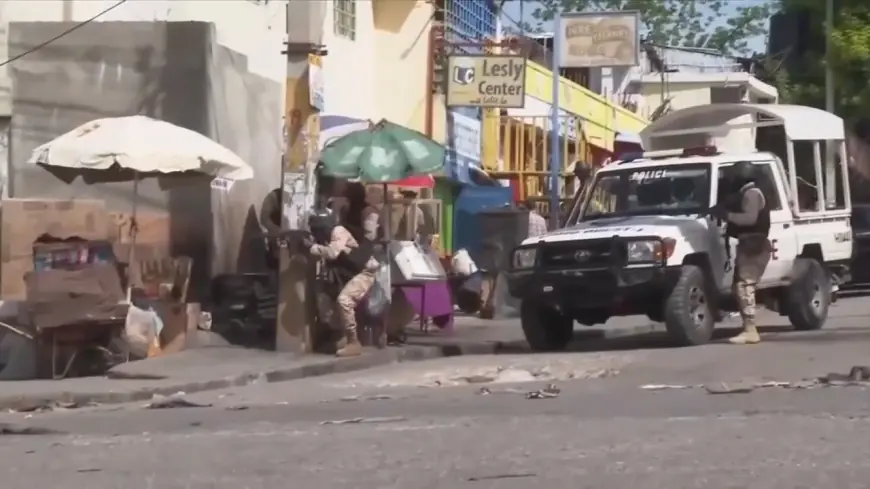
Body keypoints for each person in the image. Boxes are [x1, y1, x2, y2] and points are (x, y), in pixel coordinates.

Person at [304, 208, 379, 357]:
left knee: (344, 301)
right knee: (325, 302)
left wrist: (311, 247)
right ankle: (341, 336)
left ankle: (353, 342)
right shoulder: (324, 238)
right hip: (347, 273)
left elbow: (332, 253)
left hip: (364, 272)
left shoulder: (338, 231)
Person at [711, 161, 771, 345]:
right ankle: (748, 327)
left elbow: (749, 219)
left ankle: (750, 330)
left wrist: (725, 215)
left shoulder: (751, 194)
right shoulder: (750, 193)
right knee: (740, 286)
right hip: (752, 244)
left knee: (744, 286)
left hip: (754, 245)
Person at [259, 187, 283, 270]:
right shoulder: (274, 196)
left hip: (291, 239)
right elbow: (264, 218)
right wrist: (277, 231)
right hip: (276, 238)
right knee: (274, 263)